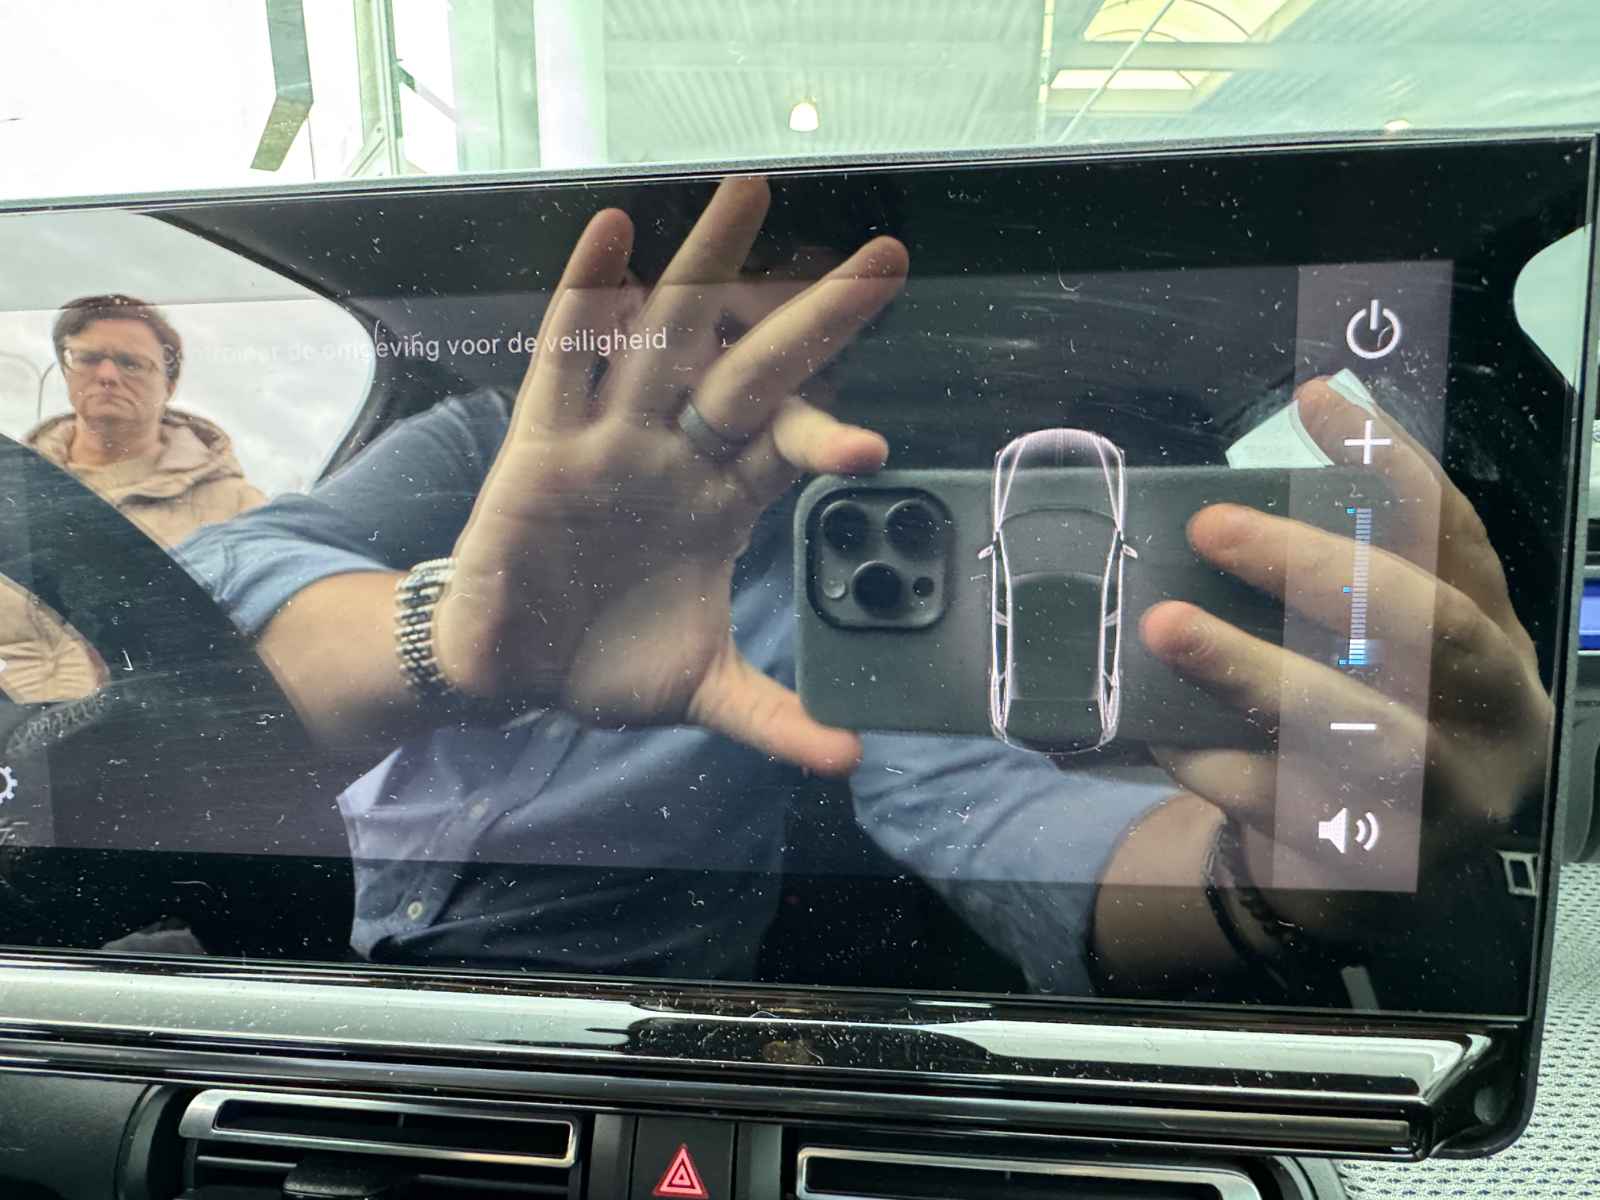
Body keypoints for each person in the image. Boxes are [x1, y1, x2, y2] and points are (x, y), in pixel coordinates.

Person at [179, 179, 1549, 996]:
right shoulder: (480, 447)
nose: (754, 380)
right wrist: (453, 628)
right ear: (635, 319)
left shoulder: (877, 568)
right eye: (724, 334)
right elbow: (212, 585)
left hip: (626, 1038)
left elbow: (1006, 817)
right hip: (263, 974)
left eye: (807, 346)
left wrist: (1288, 876)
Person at [0, 294, 265, 702]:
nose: (107, 374)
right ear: (66, 371)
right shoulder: (12, 488)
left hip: (138, 727)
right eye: (88, 358)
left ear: (169, 385)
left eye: (131, 363)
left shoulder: (238, 509)